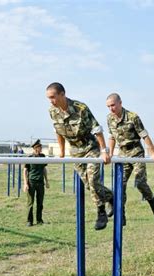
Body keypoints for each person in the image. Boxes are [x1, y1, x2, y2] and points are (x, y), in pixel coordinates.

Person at [46, 82, 113, 230]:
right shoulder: (52, 111)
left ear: (62, 94)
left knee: (93, 180)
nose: (51, 101)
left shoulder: (80, 108)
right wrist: (62, 152)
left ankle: (101, 213)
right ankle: (110, 197)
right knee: (89, 185)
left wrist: (104, 151)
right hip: (75, 151)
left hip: (91, 148)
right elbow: (58, 131)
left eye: (53, 97)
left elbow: (97, 128)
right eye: (48, 98)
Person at [105, 93, 154, 226]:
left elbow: (144, 135)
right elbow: (111, 137)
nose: (111, 109)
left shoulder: (133, 117)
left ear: (120, 103)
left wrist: (153, 152)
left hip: (136, 152)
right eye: (108, 106)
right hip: (122, 154)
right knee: (120, 185)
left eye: (113, 105)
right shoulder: (109, 118)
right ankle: (121, 214)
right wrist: (109, 153)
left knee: (140, 183)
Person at [23, 139, 49, 226]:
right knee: (30, 202)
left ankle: (39, 220)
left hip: (40, 182)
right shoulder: (30, 158)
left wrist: (47, 181)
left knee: (40, 202)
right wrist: (25, 183)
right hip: (31, 182)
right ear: (36, 148)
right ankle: (29, 221)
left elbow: (44, 169)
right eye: (40, 147)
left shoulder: (43, 156)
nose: (41, 148)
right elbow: (25, 171)